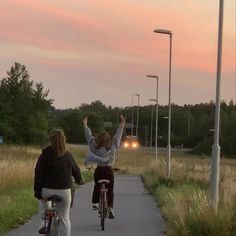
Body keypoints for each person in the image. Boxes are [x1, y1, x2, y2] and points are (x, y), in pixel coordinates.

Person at [34, 129, 83, 236]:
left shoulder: (45, 154)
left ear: (51, 140)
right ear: (63, 140)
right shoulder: (68, 155)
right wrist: (79, 180)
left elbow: (38, 173)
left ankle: (44, 221)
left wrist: (37, 191)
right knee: (64, 218)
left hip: (47, 190)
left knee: (43, 201)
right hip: (64, 192)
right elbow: (76, 171)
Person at [83, 114, 125, 219]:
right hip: (109, 171)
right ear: (108, 140)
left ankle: (95, 203)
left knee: (97, 186)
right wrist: (122, 124)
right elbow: (118, 135)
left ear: (98, 140)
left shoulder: (93, 147)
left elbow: (89, 137)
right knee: (110, 190)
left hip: (99, 171)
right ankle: (110, 208)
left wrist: (85, 125)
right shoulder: (113, 146)